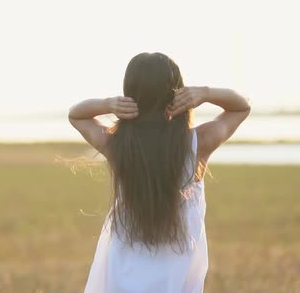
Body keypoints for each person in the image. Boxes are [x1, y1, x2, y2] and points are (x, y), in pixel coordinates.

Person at [68, 52, 251, 293]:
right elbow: (241, 108)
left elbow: (76, 115)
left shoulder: (118, 146)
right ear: (177, 95)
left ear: (130, 96)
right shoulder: (197, 144)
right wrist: (205, 93)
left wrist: (108, 104)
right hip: (175, 278)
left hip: (123, 274)